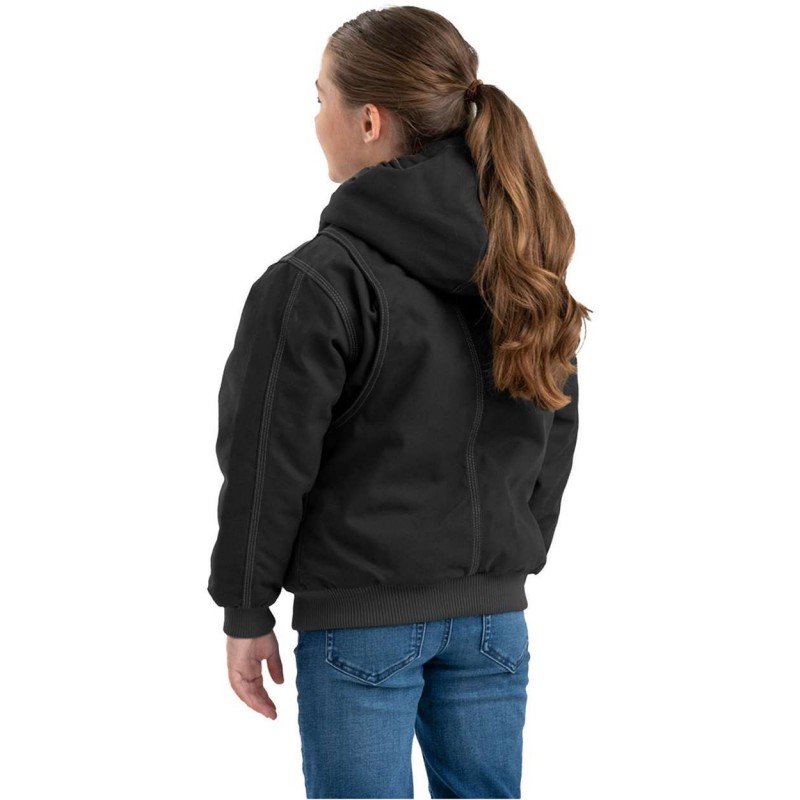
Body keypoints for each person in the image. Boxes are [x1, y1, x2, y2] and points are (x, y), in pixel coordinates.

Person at [207, 6, 591, 799]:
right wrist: (510, 553)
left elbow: (266, 459)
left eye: (321, 98)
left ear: (370, 121)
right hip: (494, 623)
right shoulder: (523, 267)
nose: (316, 119)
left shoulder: (317, 283)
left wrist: (246, 609)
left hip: (361, 623)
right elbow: (555, 423)